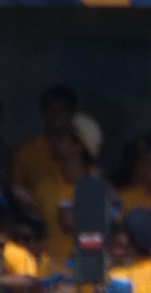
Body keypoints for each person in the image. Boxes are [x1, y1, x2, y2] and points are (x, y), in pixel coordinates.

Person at [31, 113, 103, 266]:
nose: (53, 142)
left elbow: (107, 243)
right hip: (47, 273)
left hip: (83, 275)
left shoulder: (100, 189)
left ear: (79, 146)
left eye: (60, 137)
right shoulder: (43, 188)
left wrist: (78, 224)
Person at [11, 85, 77, 193]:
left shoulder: (82, 151)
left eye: (62, 109)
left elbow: (94, 189)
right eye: (50, 109)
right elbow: (16, 191)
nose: (56, 115)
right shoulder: (26, 152)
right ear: (43, 112)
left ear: (71, 112)